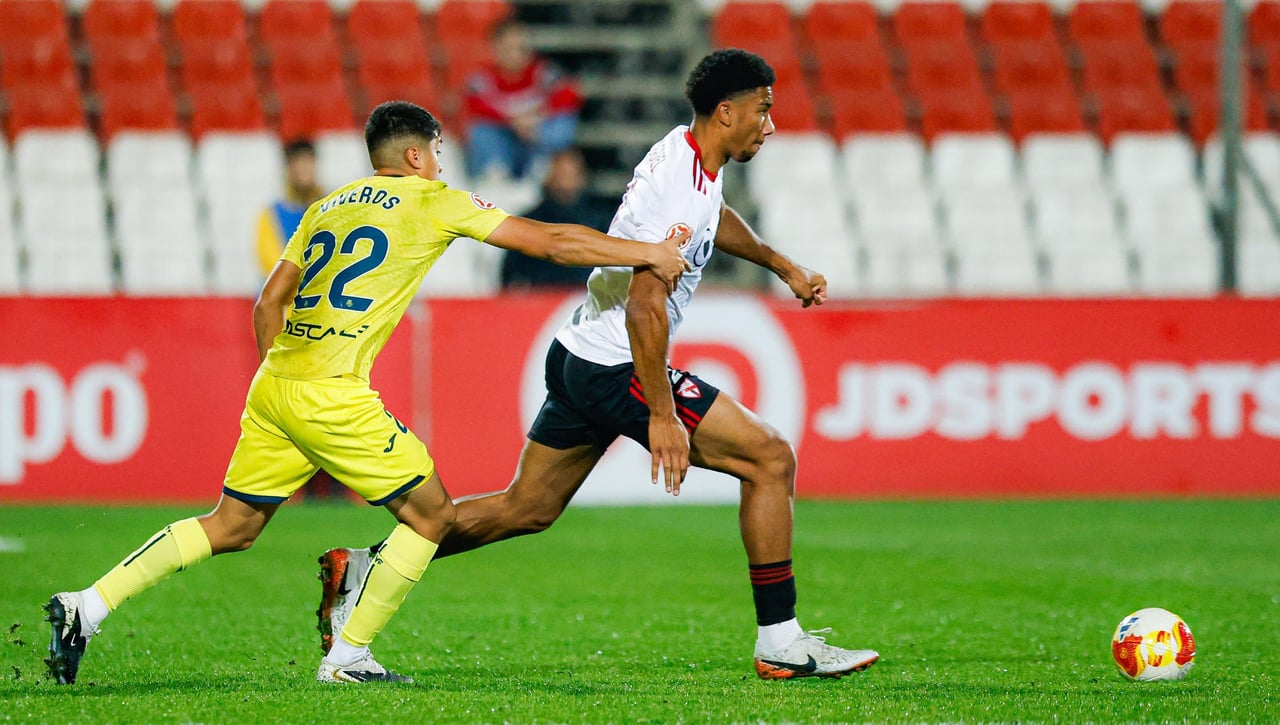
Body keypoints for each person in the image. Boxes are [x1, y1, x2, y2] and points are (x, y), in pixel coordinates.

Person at [43, 100, 691, 687]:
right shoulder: (433, 200)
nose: (439, 163)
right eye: (435, 151)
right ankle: (348, 654)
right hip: (331, 394)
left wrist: (287, 380)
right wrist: (647, 253)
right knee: (432, 513)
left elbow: (270, 300)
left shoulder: (329, 204)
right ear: (414, 156)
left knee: (231, 524)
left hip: (277, 382)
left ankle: (88, 604)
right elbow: (549, 241)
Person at [317, 50, 880, 680]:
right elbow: (646, 307)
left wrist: (784, 266)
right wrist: (662, 414)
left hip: (579, 354)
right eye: (764, 110)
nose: (770, 125)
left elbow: (712, 218)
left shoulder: (689, 154)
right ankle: (781, 641)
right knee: (770, 458)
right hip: (618, 365)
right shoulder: (680, 189)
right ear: (728, 112)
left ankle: (365, 570)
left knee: (526, 509)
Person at [464, 20, 582, 180]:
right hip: (504, 138)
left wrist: (538, 118)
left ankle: (546, 169)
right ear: (495, 49)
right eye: (507, 49)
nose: (514, 55)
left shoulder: (542, 73)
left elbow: (570, 93)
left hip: (537, 136)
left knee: (562, 124)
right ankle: (495, 174)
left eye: (520, 49)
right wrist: (512, 121)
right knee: (481, 131)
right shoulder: (484, 79)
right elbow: (475, 105)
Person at [500, 147, 613, 290]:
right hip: (541, 302)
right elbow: (510, 276)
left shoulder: (600, 221)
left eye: (570, 175)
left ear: (581, 177)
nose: (565, 183)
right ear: (549, 176)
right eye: (560, 175)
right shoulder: (529, 223)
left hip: (589, 299)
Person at [256, 138, 325, 277]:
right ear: (288, 170)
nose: (305, 169)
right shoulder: (271, 215)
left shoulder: (331, 208)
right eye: (299, 164)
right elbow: (273, 266)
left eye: (308, 163)